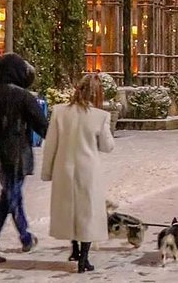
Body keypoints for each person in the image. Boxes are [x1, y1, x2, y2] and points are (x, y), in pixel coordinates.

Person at [0, 52, 48, 264]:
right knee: (12, 195)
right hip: (18, 154)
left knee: (9, 196)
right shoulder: (23, 96)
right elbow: (41, 125)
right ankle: (23, 237)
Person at [42, 73, 115, 273]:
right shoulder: (100, 116)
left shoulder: (59, 112)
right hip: (88, 171)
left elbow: (51, 145)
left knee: (70, 211)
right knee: (87, 214)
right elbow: (107, 146)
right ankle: (84, 258)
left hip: (63, 169)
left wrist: (47, 171)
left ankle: (74, 250)